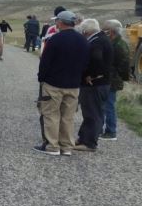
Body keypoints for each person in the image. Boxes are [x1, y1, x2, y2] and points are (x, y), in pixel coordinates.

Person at [33, 11, 89, 156]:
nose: (56, 23)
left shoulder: (55, 39)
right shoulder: (83, 40)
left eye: (57, 21)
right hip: (73, 85)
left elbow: (45, 62)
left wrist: (41, 78)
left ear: (61, 22)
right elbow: (85, 63)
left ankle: (52, 146)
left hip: (53, 84)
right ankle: (67, 147)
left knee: (51, 115)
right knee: (68, 117)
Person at [73, 18, 113, 152]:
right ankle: (83, 138)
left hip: (95, 84)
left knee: (93, 113)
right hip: (101, 84)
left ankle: (89, 143)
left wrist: (91, 75)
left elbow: (96, 59)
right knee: (92, 112)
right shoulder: (102, 38)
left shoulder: (97, 42)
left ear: (86, 31)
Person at [101, 19, 131, 141]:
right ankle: (107, 129)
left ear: (112, 31)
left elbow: (123, 65)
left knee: (109, 105)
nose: (104, 32)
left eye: (106, 30)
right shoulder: (115, 42)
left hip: (113, 79)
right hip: (111, 78)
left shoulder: (119, 45)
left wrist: (118, 77)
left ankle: (111, 132)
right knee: (106, 105)